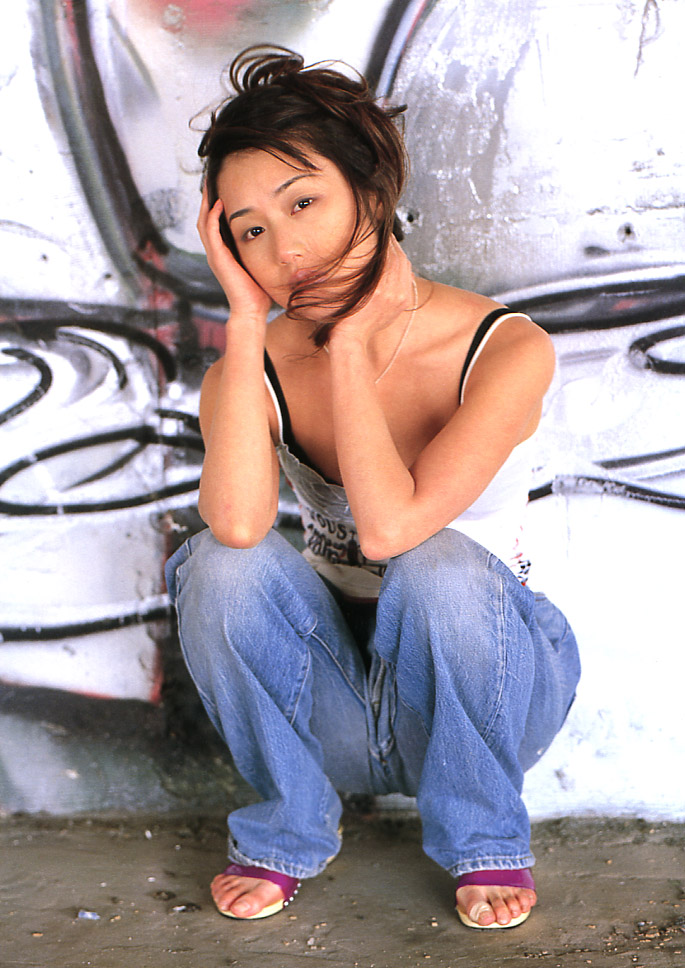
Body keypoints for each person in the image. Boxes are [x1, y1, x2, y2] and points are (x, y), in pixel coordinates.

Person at [165, 44, 581, 929]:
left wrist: (349, 343)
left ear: (372, 192)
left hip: (484, 703)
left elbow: (393, 531)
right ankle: (286, 828)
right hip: (335, 706)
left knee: (437, 563)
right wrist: (245, 323)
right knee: (214, 562)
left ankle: (485, 838)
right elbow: (234, 527)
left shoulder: (504, 347)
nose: (284, 250)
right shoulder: (253, 369)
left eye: (302, 203)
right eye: (249, 231)